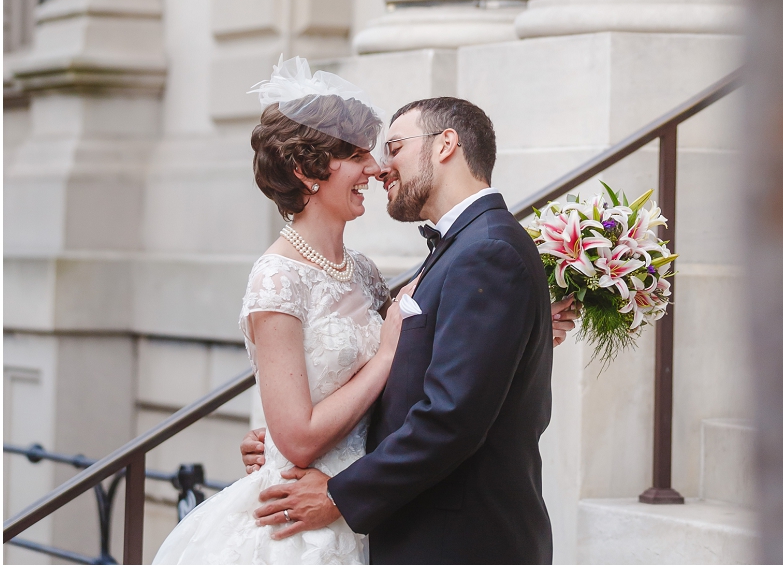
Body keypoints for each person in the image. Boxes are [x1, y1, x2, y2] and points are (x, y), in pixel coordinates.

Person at [242, 96, 572, 565]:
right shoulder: (462, 248)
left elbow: (450, 416)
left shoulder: (485, 251)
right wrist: (285, 440)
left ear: (445, 146)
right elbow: (408, 366)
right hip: (401, 526)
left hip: (454, 538)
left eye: (392, 147)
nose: (380, 167)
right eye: (360, 155)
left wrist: (337, 493)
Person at [153, 57, 407, 565]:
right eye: (356, 156)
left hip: (360, 499)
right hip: (302, 520)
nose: (374, 169)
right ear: (306, 171)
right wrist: (385, 356)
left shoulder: (362, 271)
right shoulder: (277, 277)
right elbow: (298, 436)